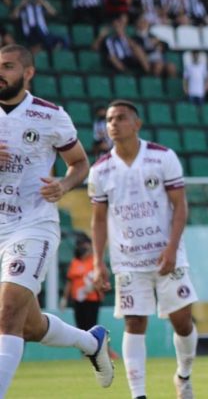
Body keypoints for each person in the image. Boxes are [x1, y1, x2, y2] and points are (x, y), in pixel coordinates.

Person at [0, 44, 113, 397]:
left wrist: (63, 185)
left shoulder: (50, 115)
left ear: (28, 73)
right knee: (29, 326)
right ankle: (91, 342)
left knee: (6, 313)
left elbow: (79, 163)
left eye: (8, 66)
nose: (0, 72)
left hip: (32, 224)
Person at [89, 100, 198, 399]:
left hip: (167, 255)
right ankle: (138, 395)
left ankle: (183, 376)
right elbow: (98, 220)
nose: (113, 123)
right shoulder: (100, 171)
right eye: (110, 119)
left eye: (121, 118)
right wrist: (98, 262)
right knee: (134, 322)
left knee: (182, 322)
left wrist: (173, 248)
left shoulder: (162, 158)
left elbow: (180, 206)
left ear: (136, 124)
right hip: (128, 260)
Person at [61, 233, 103, 331]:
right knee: (80, 328)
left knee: (91, 327)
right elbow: (70, 281)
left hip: (92, 299)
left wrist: (93, 287)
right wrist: (64, 298)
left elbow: (102, 278)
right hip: (78, 300)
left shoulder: (95, 261)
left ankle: (93, 345)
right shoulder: (75, 262)